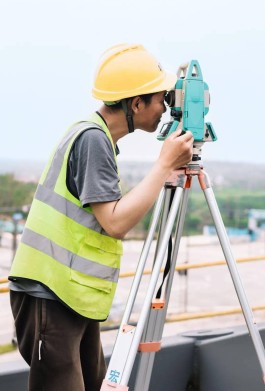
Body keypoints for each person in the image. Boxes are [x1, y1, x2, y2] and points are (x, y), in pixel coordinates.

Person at [8, 43, 194, 391]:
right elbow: (116, 222)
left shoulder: (95, 136)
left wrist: (164, 170)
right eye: (161, 98)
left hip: (69, 294)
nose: (165, 108)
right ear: (136, 103)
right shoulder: (93, 139)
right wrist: (164, 165)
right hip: (51, 292)